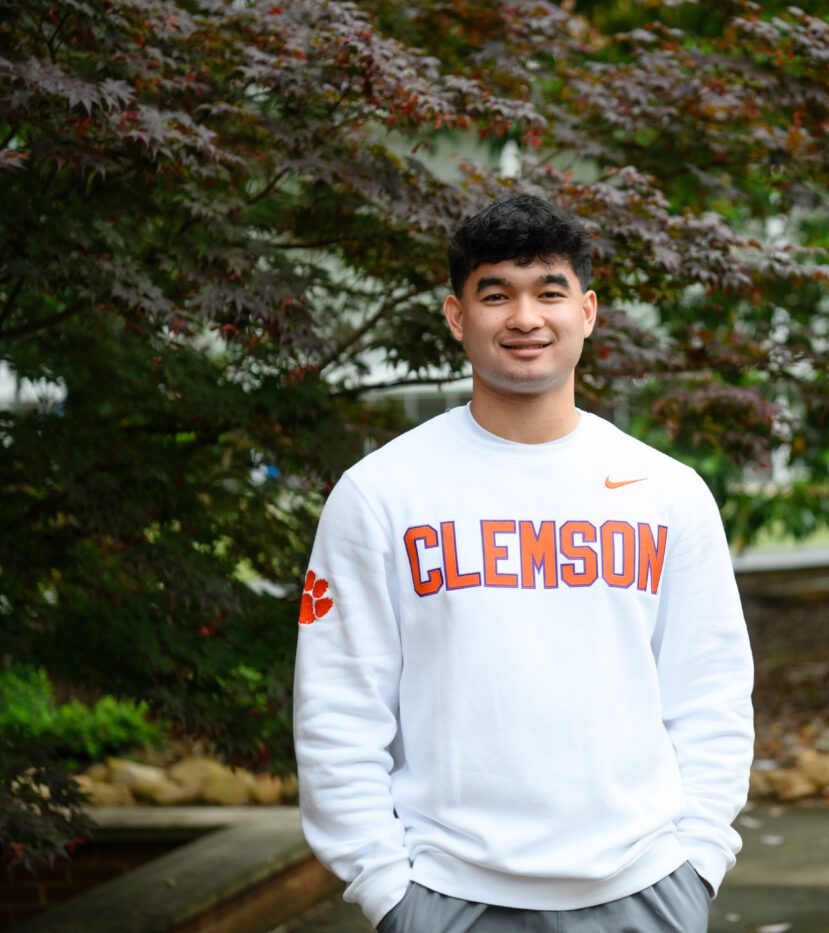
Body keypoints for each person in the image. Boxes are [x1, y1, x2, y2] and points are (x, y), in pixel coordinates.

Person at [293, 194, 755, 932]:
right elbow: (337, 712)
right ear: (455, 316)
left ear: (590, 311)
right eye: (496, 293)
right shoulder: (380, 494)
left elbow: (713, 695)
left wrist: (697, 860)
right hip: (447, 896)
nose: (526, 317)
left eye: (550, 291)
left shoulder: (667, 492)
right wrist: (386, 888)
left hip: (644, 890)